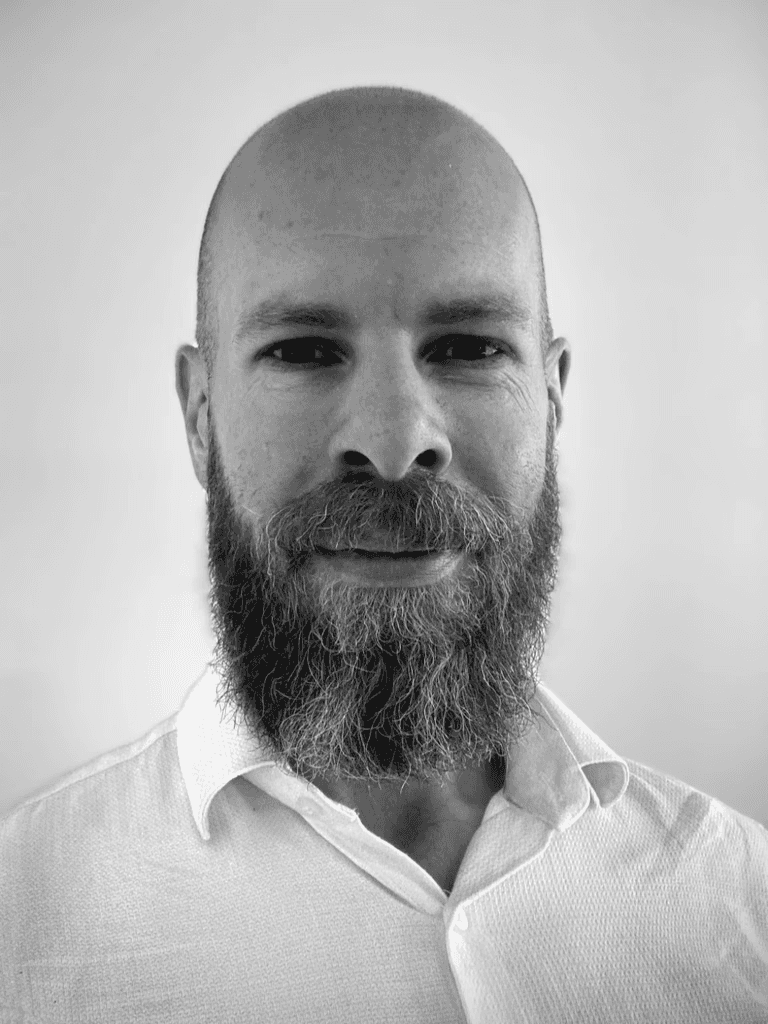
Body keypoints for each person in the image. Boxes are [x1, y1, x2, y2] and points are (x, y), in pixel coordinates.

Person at [1, 86, 766, 1023]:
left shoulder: (743, 908)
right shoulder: (23, 930)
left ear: (553, 399)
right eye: (302, 351)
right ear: (200, 417)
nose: (398, 443)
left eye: (471, 347)